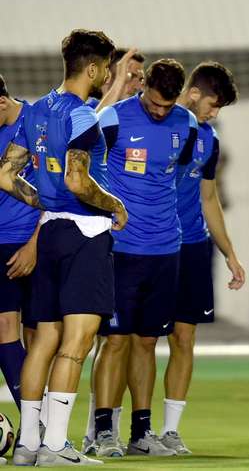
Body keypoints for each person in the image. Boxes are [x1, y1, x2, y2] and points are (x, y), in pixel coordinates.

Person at [1, 29, 127, 467]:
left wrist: (45, 201)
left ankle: (28, 447)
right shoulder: (82, 117)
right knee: (76, 344)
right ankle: (55, 446)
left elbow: (5, 176)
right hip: (85, 236)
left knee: (43, 342)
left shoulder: (34, 111)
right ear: (92, 68)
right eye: (107, 67)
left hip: (50, 232)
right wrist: (114, 204)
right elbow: (77, 179)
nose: (108, 74)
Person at [92, 58, 197, 458]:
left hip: (166, 248)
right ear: (144, 87)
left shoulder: (186, 125)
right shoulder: (114, 120)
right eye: (154, 104)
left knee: (148, 342)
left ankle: (141, 432)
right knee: (115, 341)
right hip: (120, 249)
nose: (159, 112)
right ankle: (103, 432)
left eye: (167, 107)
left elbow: (175, 175)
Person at [158, 61, 245, 455]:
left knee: (185, 337)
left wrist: (229, 253)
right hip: (152, 244)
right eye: (213, 104)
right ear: (193, 94)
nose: (214, 113)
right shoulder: (157, 125)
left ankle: (170, 431)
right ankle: (107, 426)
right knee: (132, 341)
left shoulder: (210, 140)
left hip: (193, 246)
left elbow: (209, 198)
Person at [82, 47, 147, 456]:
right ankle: (51, 431)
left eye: (138, 77)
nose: (134, 84)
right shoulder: (91, 114)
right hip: (88, 242)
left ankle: (101, 431)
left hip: (129, 247)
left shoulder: (135, 120)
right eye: (126, 75)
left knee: (115, 341)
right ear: (106, 75)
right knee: (79, 341)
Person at [0, 74, 38, 411]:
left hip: (38, 240)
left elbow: (57, 189)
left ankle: (51, 427)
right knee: (5, 325)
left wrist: (35, 244)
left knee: (42, 336)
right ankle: (34, 426)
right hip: (2, 243)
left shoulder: (38, 121)